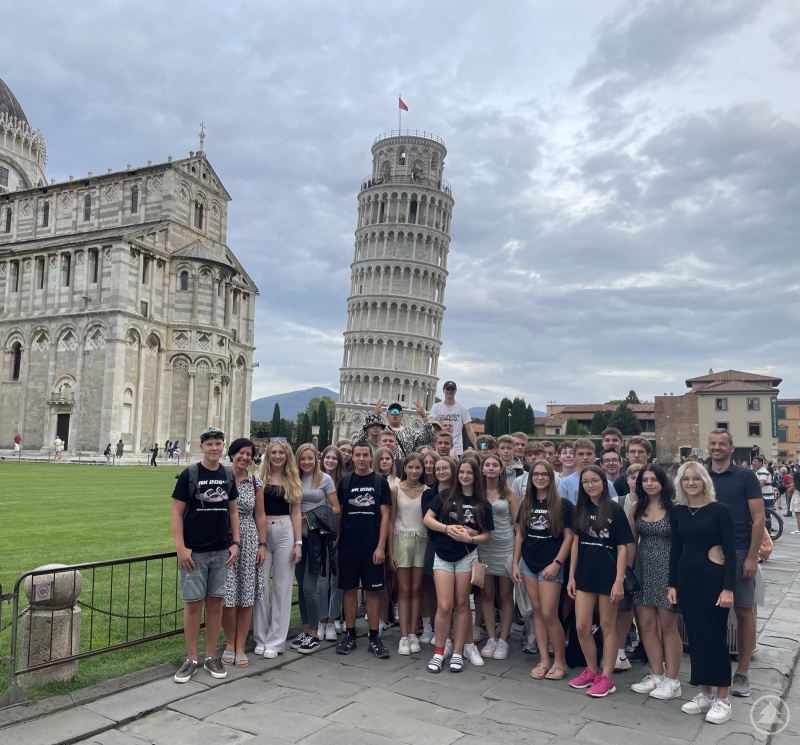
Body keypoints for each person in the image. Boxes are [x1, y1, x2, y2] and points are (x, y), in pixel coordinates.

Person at [171, 426, 240, 683]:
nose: (214, 448)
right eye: (209, 443)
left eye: (218, 443)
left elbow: (233, 512)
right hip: (195, 551)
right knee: (192, 605)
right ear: (202, 447)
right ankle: (191, 658)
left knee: (215, 605)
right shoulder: (190, 474)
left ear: (223, 447)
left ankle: (211, 656)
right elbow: (177, 512)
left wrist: (236, 543)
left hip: (221, 551)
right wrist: (180, 547)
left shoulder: (228, 475)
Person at [669, 461, 736, 724]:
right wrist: (671, 584)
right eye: (686, 479)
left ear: (705, 480)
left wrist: (728, 587)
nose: (691, 483)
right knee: (695, 638)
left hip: (715, 582)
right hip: (687, 581)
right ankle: (704, 694)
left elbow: (731, 551)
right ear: (680, 483)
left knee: (715, 638)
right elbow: (675, 550)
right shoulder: (678, 512)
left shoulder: (720, 510)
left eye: (696, 478)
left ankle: (723, 699)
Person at [706, 428, 764, 697]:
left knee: (743, 611)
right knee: (708, 612)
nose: (717, 447)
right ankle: (710, 669)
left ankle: (741, 673)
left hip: (739, 551)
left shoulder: (746, 476)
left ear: (731, 448)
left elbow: (759, 518)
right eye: (713, 443)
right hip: (705, 553)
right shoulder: (700, 475)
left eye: (722, 444)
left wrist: (752, 556)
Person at [567, 465, 633, 697]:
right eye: (585, 482)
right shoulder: (580, 509)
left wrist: (618, 580)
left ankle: (607, 677)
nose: (590, 485)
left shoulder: (614, 510)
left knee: (607, 626)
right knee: (582, 626)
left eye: (594, 480)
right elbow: (575, 544)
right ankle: (592, 670)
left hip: (608, 576)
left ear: (603, 482)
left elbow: (623, 547)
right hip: (585, 574)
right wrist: (571, 576)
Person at [424, 458, 494, 673]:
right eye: (462, 472)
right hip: (443, 555)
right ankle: (438, 651)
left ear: (475, 476)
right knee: (444, 606)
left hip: (466, 555)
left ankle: (457, 651)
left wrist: (470, 539)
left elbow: (486, 535)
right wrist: (447, 529)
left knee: (463, 604)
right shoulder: (445, 496)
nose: (464, 476)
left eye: (469, 473)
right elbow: (428, 519)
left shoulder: (482, 503)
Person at [512, 459, 573, 680]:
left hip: (550, 565)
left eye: (544, 474)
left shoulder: (562, 504)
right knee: (537, 612)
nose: (540, 478)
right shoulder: (526, 503)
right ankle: (544, 659)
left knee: (549, 613)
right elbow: (520, 534)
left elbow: (569, 537)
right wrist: (515, 563)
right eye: (536, 474)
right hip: (529, 563)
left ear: (551, 477)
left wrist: (557, 563)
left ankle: (560, 661)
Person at [629, 465, 682, 700]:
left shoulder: (675, 509)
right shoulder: (636, 508)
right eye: (645, 480)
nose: (649, 484)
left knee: (668, 626)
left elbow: (682, 544)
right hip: (642, 568)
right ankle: (657, 674)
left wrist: (677, 580)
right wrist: (627, 573)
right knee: (646, 625)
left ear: (663, 482)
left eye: (654, 479)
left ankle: (672, 679)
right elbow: (631, 543)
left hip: (668, 571)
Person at [335, 441, 392, 659]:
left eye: (365, 455)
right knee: (349, 590)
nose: (360, 459)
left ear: (371, 457)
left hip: (371, 547)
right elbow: (340, 514)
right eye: (357, 455)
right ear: (353, 458)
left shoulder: (379, 482)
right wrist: (338, 541)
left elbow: (385, 516)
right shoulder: (346, 481)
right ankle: (350, 633)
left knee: (373, 592)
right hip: (348, 546)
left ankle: (374, 635)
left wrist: (380, 547)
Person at [253, 441, 303, 658]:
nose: (277, 455)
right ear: (267, 454)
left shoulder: (292, 479)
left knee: (282, 588)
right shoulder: (258, 477)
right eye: (273, 452)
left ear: (287, 455)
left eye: (281, 452)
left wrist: (298, 543)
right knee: (261, 588)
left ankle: (276, 641)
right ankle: (260, 637)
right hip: (262, 533)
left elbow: (295, 513)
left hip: (284, 531)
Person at [221, 438, 266, 667]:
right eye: (240, 452)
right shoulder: (221, 477)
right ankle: (229, 642)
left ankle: (240, 646)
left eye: (248, 454)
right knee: (228, 596)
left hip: (248, 538)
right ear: (232, 454)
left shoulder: (255, 482)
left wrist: (262, 545)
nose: (244, 457)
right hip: (224, 539)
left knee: (246, 594)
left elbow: (260, 514)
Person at [295, 444, 340, 653]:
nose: (306, 462)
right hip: (297, 538)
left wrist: (311, 515)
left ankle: (314, 632)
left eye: (310, 459)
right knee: (301, 589)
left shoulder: (325, 479)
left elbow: (336, 508)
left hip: (316, 539)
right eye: (303, 458)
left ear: (316, 459)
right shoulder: (293, 477)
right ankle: (306, 630)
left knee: (308, 587)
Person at [478, 453, 519, 661]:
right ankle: (491, 637)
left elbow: (517, 525)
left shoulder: (509, 492)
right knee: (486, 594)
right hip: (484, 547)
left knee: (505, 595)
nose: (492, 468)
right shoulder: (477, 491)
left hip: (505, 546)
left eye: (495, 465)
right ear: (483, 469)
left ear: (501, 469)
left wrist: (516, 557)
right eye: (488, 465)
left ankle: (503, 638)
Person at [388, 452, 428, 655]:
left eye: (417, 467)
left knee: (416, 589)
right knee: (403, 591)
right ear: (404, 468)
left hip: (422, 540)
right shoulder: (395, 490)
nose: (414, 471)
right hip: (401, 540)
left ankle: (413, 633)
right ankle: (404, 636)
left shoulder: (428, 491)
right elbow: (391, 520)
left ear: (422, 469)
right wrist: (389, 551)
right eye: (410, 467)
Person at [319, 445, 347, 634]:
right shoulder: (316, 479)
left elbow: (342, 512)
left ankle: (332, 619)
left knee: (336, 581)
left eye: (334, 458)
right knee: (321, 581)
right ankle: (321, 620)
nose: (330, 461)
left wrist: (338, 535)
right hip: (319, 536)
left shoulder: (344, 482)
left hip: (339, 535)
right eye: (327, 457)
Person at [367, 400, 435, 460]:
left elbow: (428, 438)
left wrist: (425, 417)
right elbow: (363, 438)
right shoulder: (380, 432)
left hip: (404, 469)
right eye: (392, 411)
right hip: (384, 466)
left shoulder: (411, 432)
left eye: (398, 411)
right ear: (387, 416)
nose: (395, 414)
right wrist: (374, 415)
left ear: (402, 416)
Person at [559, 440, 618, 504]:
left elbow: (615, 508)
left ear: (595, 456)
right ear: (574, 456)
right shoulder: (565, 483)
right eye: (581, 454)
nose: (585, 457)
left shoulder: (606, 483)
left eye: (589, 454)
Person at [428, 382, 477, 455]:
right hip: (440, 446)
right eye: (448, 389)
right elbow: (432, 425)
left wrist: (476, 446)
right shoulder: (436, 407)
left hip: (457, 448)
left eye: (452, 389)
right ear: (444, 390)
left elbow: (469, 429)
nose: (450, 391)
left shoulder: (462, 409)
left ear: (455, 391)